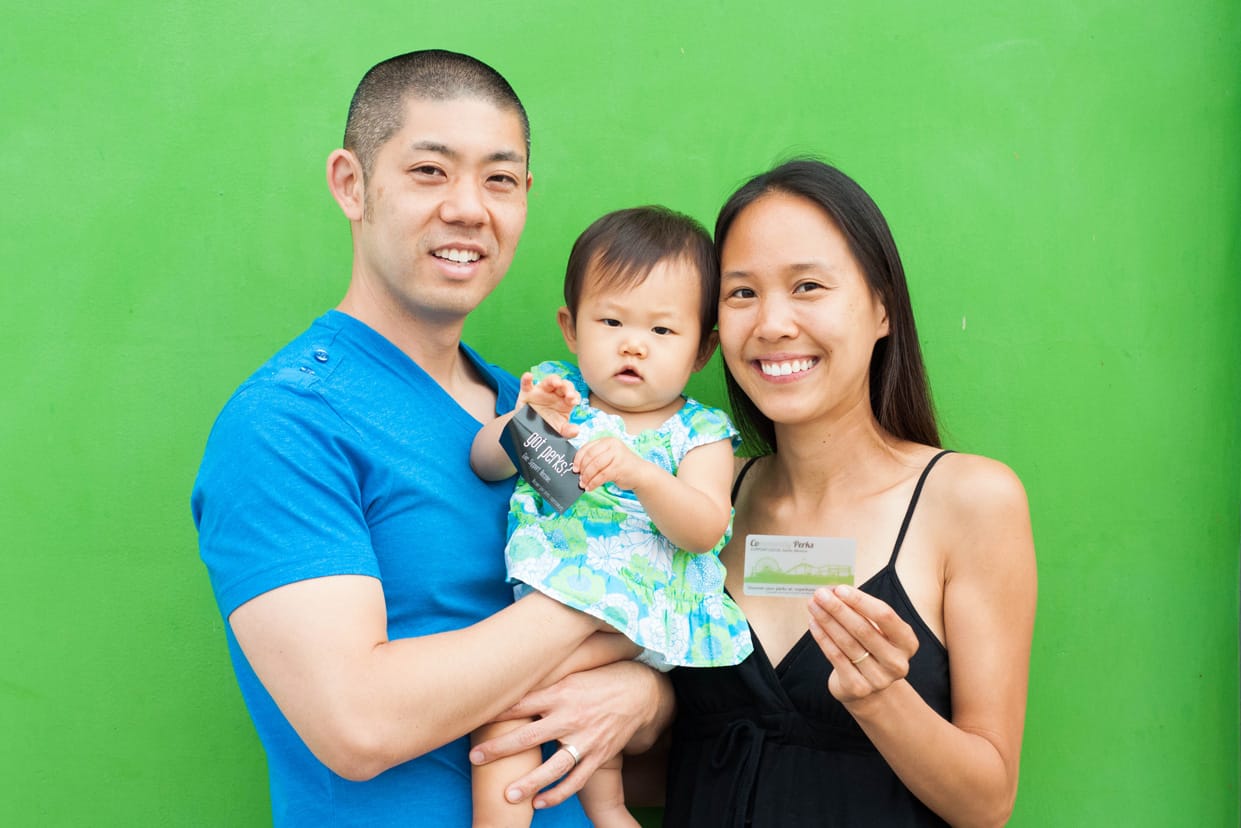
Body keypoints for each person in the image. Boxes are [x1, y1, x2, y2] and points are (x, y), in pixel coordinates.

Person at [190, 50, 670, 827]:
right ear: (352, 184)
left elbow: (646, 753)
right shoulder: (285, 425)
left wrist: (643, 697)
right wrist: (603, 594)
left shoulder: (540, 413)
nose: (469, 208)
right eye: (429, 171)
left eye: (500, 179)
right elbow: (360, 724)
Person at [661, 159, 1037, 826]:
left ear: (882, 308)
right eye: (741, 293)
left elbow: (987, 802)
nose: (772, 323)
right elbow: (685, 757)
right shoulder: (702, 499)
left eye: (807, 286)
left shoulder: (969, 499)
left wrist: (879, 698)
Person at [468, 206, 753, 827]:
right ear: (571, 327)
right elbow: (484, 462)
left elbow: (705, 528)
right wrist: (528, 423)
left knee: (506, 700)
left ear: (703, 348)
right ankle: (612, 814)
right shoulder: (558, 394)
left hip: (642, 611)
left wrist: (645, 475)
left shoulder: (699, 433)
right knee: (581, 730)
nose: (633, 343)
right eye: (612, 320)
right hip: (565, 603)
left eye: (662, 331)